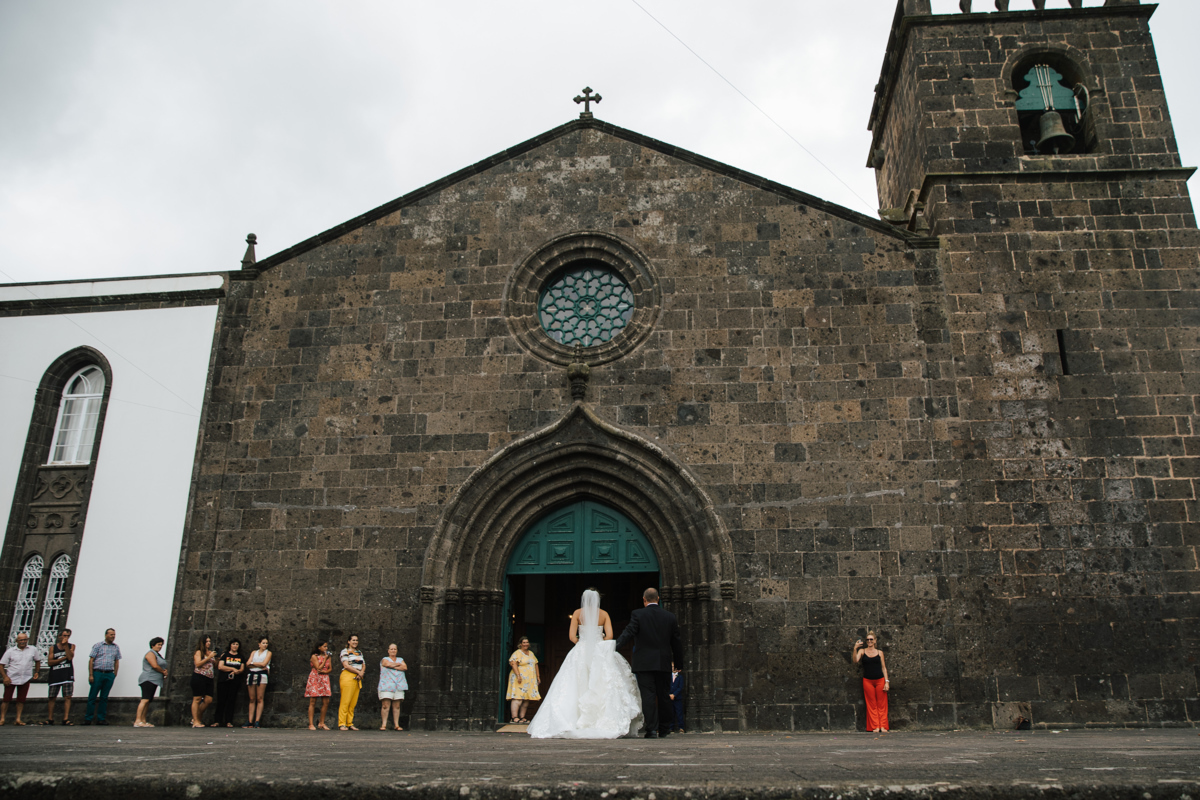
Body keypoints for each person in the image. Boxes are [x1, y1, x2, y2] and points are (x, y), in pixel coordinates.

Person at [528, 589, 642, 739]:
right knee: (602, 682)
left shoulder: (577, 613)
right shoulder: (604, 614)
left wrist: (582, 643)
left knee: (574, 683)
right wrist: (597, 641)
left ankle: (572, 719)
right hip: (599, 651)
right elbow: (610, 636)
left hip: (580, 651)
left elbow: (571, 636)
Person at [613, 587, 683, 739]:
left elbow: (629, 632)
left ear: (644, 600)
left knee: (648, 696)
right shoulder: (669, 617)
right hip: (663, 663)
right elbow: (676, 642)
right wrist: (678, 663)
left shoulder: (638, 614)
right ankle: (664, 729)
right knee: (664, 695)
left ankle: (651, 729)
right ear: (658, 599)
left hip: (644, 663)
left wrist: (614, 647)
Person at [0, 633, 42, 726]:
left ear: (27, 640)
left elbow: (37, 661)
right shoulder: (10, 651)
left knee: (21, 700)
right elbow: (1, 665)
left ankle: (18, 719)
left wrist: (37, 672)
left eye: (24, 640)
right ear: (17, 641)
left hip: (25, 677)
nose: (23, 642)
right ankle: (2, 718)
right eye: (20, 640)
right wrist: (5, 677)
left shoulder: (33, 649)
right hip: (11, 678)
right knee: (6, 699)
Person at [852, 631, 889, 733]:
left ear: (875, 641)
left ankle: (883, 726)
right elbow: (855, 660)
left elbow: (884, 668)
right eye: (867, 640)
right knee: (871, 704)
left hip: (880, 679)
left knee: (882, 704)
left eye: (871, 639)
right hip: (868, 680)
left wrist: (887, 682)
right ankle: (875, 726)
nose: (869, 641)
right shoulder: (862, 651)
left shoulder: (880, 652)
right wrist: (855, 648)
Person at [84, 628, 121, 726]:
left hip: (109, 673)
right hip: (98, 672)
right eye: (111, 634)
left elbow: (117, 660)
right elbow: (91, 660)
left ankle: (101, 718)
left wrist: (115, 674)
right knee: (92, 696)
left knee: (104, 697)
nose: (113, 636)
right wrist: (91, 674)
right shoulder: (98, 645)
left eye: (114, 635)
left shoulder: (116, 647)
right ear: (106, 635)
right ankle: (88, 718)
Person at [505, 636, 541, 725]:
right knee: (518, 697)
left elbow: (536, 664)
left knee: (526, 699)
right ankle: (514, 717)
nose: (526, 644)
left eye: (527, 642)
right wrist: (518, 675)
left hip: (529, 679)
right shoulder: (517, 653)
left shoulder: (531, 653)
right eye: (524, 642)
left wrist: (538, 676)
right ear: (520, 644)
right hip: (519, 678)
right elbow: (513, 663)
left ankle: (522, 717)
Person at [43, 628, 75, 725]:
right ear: (59, 636)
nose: (66, 638)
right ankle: (50, 718)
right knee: (52, 697)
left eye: (68, 636)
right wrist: (63, 658)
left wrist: (65, 646)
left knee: (68, 697)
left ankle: (65, 718)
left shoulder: (71, 646)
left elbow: (70, 657)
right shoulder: (53, 648)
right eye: (64, 636)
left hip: (67, 674)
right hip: (55, 674)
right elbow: (50, 662)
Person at [134, 637, 168, 727]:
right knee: (144, 699)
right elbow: (154, 665)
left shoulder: (158, 654)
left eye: (161, 645)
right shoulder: (150, 653)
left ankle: (143, 720)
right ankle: (137, 720)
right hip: (148, 679)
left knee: (148, 700)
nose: (160, 646)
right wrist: (163, 671)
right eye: (158, 645)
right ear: (153, 645)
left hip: (155, 680)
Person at [214, 639, 245, 728]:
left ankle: (229, 721)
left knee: (231, 701)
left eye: (237, 644)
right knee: (221, 700)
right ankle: (217, 720)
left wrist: (236, 672)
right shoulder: (225, 655)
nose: (235, 646)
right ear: (230, 645)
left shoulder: (240, 657)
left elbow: (242, 669)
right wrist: (232, 669)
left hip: (234, 681)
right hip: (223, 680)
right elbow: (220, 666)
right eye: (233, 644)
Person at [377, 643, 408, 731]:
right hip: (387, 684)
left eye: (395, 649)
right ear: (388, 650)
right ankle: (384, 724)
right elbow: (387, 664)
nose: (393, 651)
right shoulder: (384, 659)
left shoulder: (400, 659)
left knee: (397, 705)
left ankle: (396, 725)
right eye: (391, 649)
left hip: (398, 684)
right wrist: (398, 665)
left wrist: (393, 665)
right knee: (385, 705)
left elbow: (405, 667)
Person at [243, 636, 272, 728]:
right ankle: (250, 720)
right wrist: (257, 665)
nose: (265, 645)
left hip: (261, 675)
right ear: (259, 644)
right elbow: (247, 664)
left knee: (260, 698)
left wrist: (253, 664)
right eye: (263, 643)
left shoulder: (268, 653)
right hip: (252, 674)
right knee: (252, 698)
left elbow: (264, 664)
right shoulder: (254, 652)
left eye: (266, 643)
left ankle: (257, 720)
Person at [338, 634, 365, 731]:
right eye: (353, 640)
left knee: (353, 702)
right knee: (345, 701)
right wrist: (358, 672)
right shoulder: (345, 651)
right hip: (348, 676)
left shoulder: (359, 652)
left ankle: (350, 723)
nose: (355, 642)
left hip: (357, 677)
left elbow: (363, 664)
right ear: (348, 641)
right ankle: (342, 723)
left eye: (356, 640)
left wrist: (361, 673)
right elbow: (346, 665)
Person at [305, 641, 333, 731]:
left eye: (326, 646)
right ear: (319, 647)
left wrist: (325, 672)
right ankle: (311, 724)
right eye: (324, 646)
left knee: (326, 701)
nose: (326, 648)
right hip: (315, 678)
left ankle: (322, 722)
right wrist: (325, 659)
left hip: (324, 679)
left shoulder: (328, 656)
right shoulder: (314, 656)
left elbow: (330, 668)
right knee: (313, 701)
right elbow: (318, 668)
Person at [190, 635, 217, 728]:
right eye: (207, 641)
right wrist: (208, 657)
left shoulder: (210, 652)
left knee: (208, 700)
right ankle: (196, 721)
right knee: (197, 699)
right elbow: (198, 664)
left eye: (209, 641)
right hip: (199, 676)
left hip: (209, 678)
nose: (208, 643)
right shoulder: (198, 652)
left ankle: (196, 717)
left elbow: (214, 665)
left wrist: (217, 658)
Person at [669, 663, 685, 734]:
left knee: (679, 712)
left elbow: (680, 687)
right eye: (672, 666)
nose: (673, 668)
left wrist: (674, 694)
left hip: (677, 697)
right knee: (671, 712)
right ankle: (671, 727)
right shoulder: (669, 676)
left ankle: (681, 727)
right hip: (670, 697)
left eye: (674, 667)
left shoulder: (680, 677)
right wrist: (669, 694)